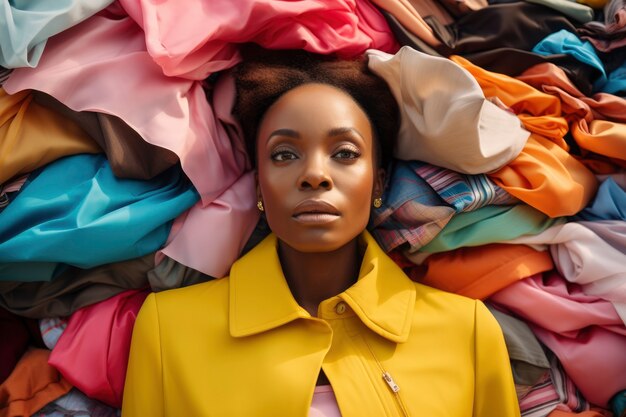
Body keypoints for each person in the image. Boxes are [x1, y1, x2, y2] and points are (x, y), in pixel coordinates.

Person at [121, 48, 521, 417]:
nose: (314, 175)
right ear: (260, 187)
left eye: (345, 153)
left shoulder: (466, 331)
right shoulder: (167, 331)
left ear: (378, 184)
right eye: (284, 154)